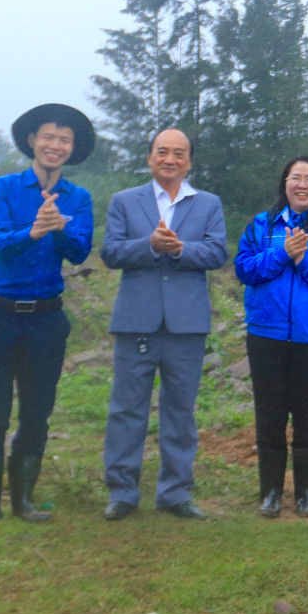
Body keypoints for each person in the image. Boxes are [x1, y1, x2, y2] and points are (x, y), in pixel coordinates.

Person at [0, 104, 95, 533]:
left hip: (46, 320)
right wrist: (33, 231)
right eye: (48, 136)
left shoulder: (78, 198)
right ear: (31, 141)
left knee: (37, 412)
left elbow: (79, 251)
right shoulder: (3, 189)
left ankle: (23, 500)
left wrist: (58, 228)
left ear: (72, 149)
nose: (55, 145)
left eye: (64, 139)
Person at [101, 129, 227, 521]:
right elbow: (110, 252)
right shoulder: (125, 201)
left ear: (189, 161)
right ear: (150, 157)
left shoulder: (207, 204)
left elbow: (218, 251)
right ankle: (122, 492)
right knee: (127, 409)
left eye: (179, 153)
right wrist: (149, 246)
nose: (169, 159)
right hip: (136, 320)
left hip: (187, 324)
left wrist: (181, 249)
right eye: (162, 152)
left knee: (180, 411)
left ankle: (175, 493)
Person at [235, 156, 308, 518]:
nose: (302, 185)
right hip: (266, 334)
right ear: (284, 184)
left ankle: (305, 493)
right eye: (295, 177)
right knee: (269, 414)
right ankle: (270, 492)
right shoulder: (261, 225)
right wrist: (282, 254)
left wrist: (306, 262)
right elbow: (244, 269)